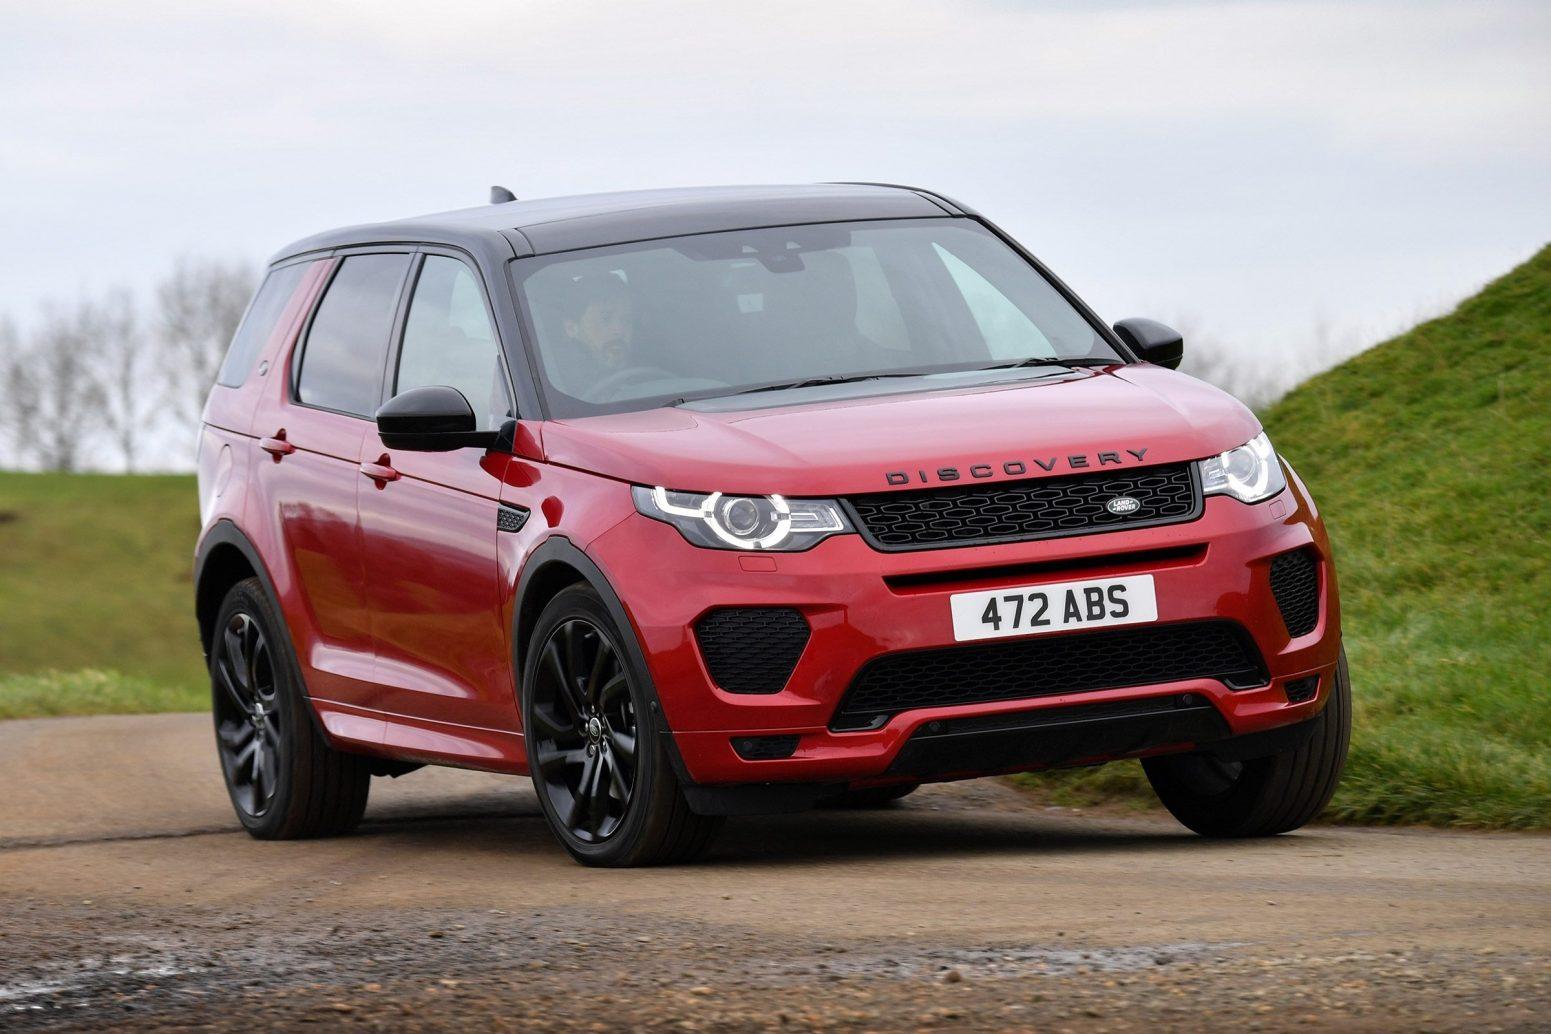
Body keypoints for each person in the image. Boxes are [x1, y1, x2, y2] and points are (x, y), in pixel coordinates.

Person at [549, 272, 637, 396]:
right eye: (605, 319)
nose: (619, 330)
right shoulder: (559, 388)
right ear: (571, 328)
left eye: (626, 320)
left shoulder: (657, 374)